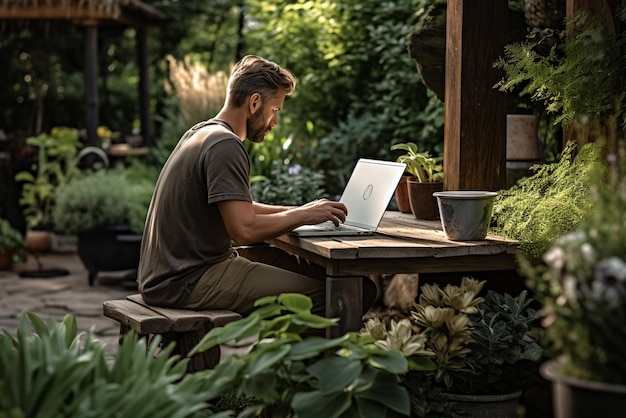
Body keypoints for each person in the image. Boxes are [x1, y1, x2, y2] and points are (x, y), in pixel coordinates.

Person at [137, 55, 375, 318]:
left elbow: (242, 209)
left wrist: (303, 210)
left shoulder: (201, 133)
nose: (274, 123)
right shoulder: (225, 146)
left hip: (175, 274)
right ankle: (292, 359)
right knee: (342, 293)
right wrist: (305, 215)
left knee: (336, 279)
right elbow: (244, 229)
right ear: (254, 102)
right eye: (275, 111)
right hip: (187, 280)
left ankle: (294, 356)